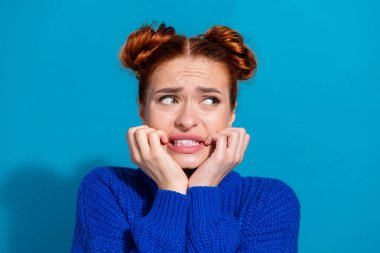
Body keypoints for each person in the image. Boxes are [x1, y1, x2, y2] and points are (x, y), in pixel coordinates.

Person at [71, 22, 301, 252]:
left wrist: (204, 190)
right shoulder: (107, 190)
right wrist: (171, 190)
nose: (187, 120)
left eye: (210, 100)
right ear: (143, 110)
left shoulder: (269, 200)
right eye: (169, 99)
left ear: (231, 113)